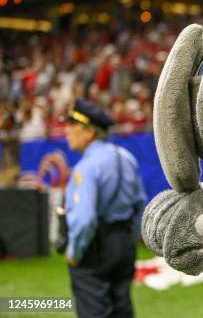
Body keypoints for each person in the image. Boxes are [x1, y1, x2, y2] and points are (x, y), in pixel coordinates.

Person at [63, 98, 147, 318]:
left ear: (89, 132)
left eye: (72, 126)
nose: (67, 131)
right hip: (124, 244)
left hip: (95, 247)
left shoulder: (87, 167)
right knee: (122, 308)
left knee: (94, 311)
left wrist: (74, 252)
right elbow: (140, 204)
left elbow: (85, 220)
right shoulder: (126, 157)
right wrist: (129, 236)